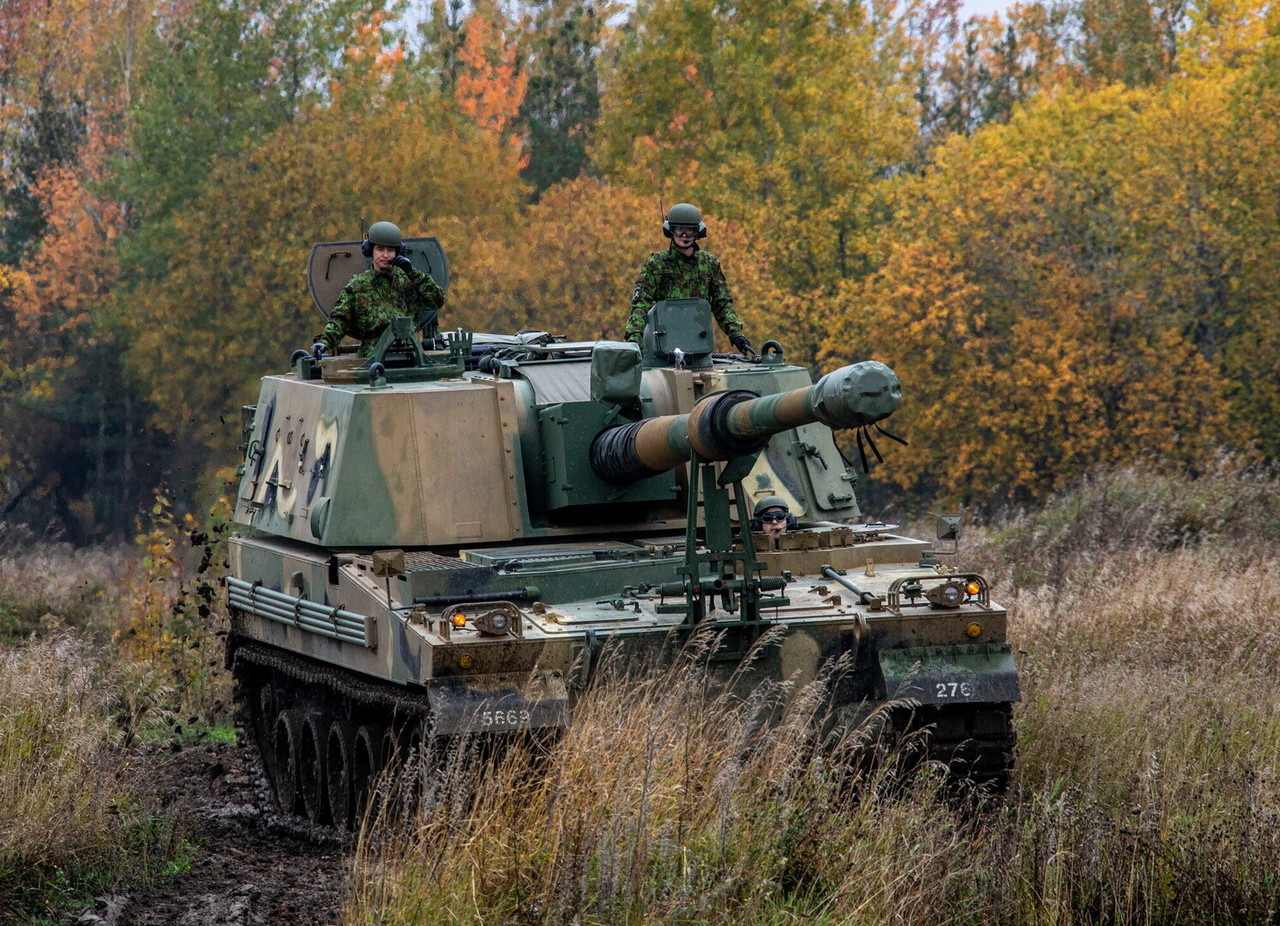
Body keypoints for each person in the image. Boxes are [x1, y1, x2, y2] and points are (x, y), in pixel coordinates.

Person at [626, 203, 753, 355]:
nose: (684, 236)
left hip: (699, 347)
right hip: (662, 348)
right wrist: (633, 341)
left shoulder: (708, 263)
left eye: (690, 231)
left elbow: (722, 304)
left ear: (698, 232)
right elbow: (641, 305)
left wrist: (736, 335)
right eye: (679, 230)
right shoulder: (656, 264)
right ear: (670, 231)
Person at [316, 221, 445, 356]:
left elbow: (436, 300)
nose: (385, 255)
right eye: (380, 249)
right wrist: (324, 342)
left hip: (410, 354)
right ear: (370, 250)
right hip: (372, 357)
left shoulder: (410, 280)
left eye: (390, 250)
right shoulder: (357, 286)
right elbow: (340, 319)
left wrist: (412, 272)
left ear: (398, 252)